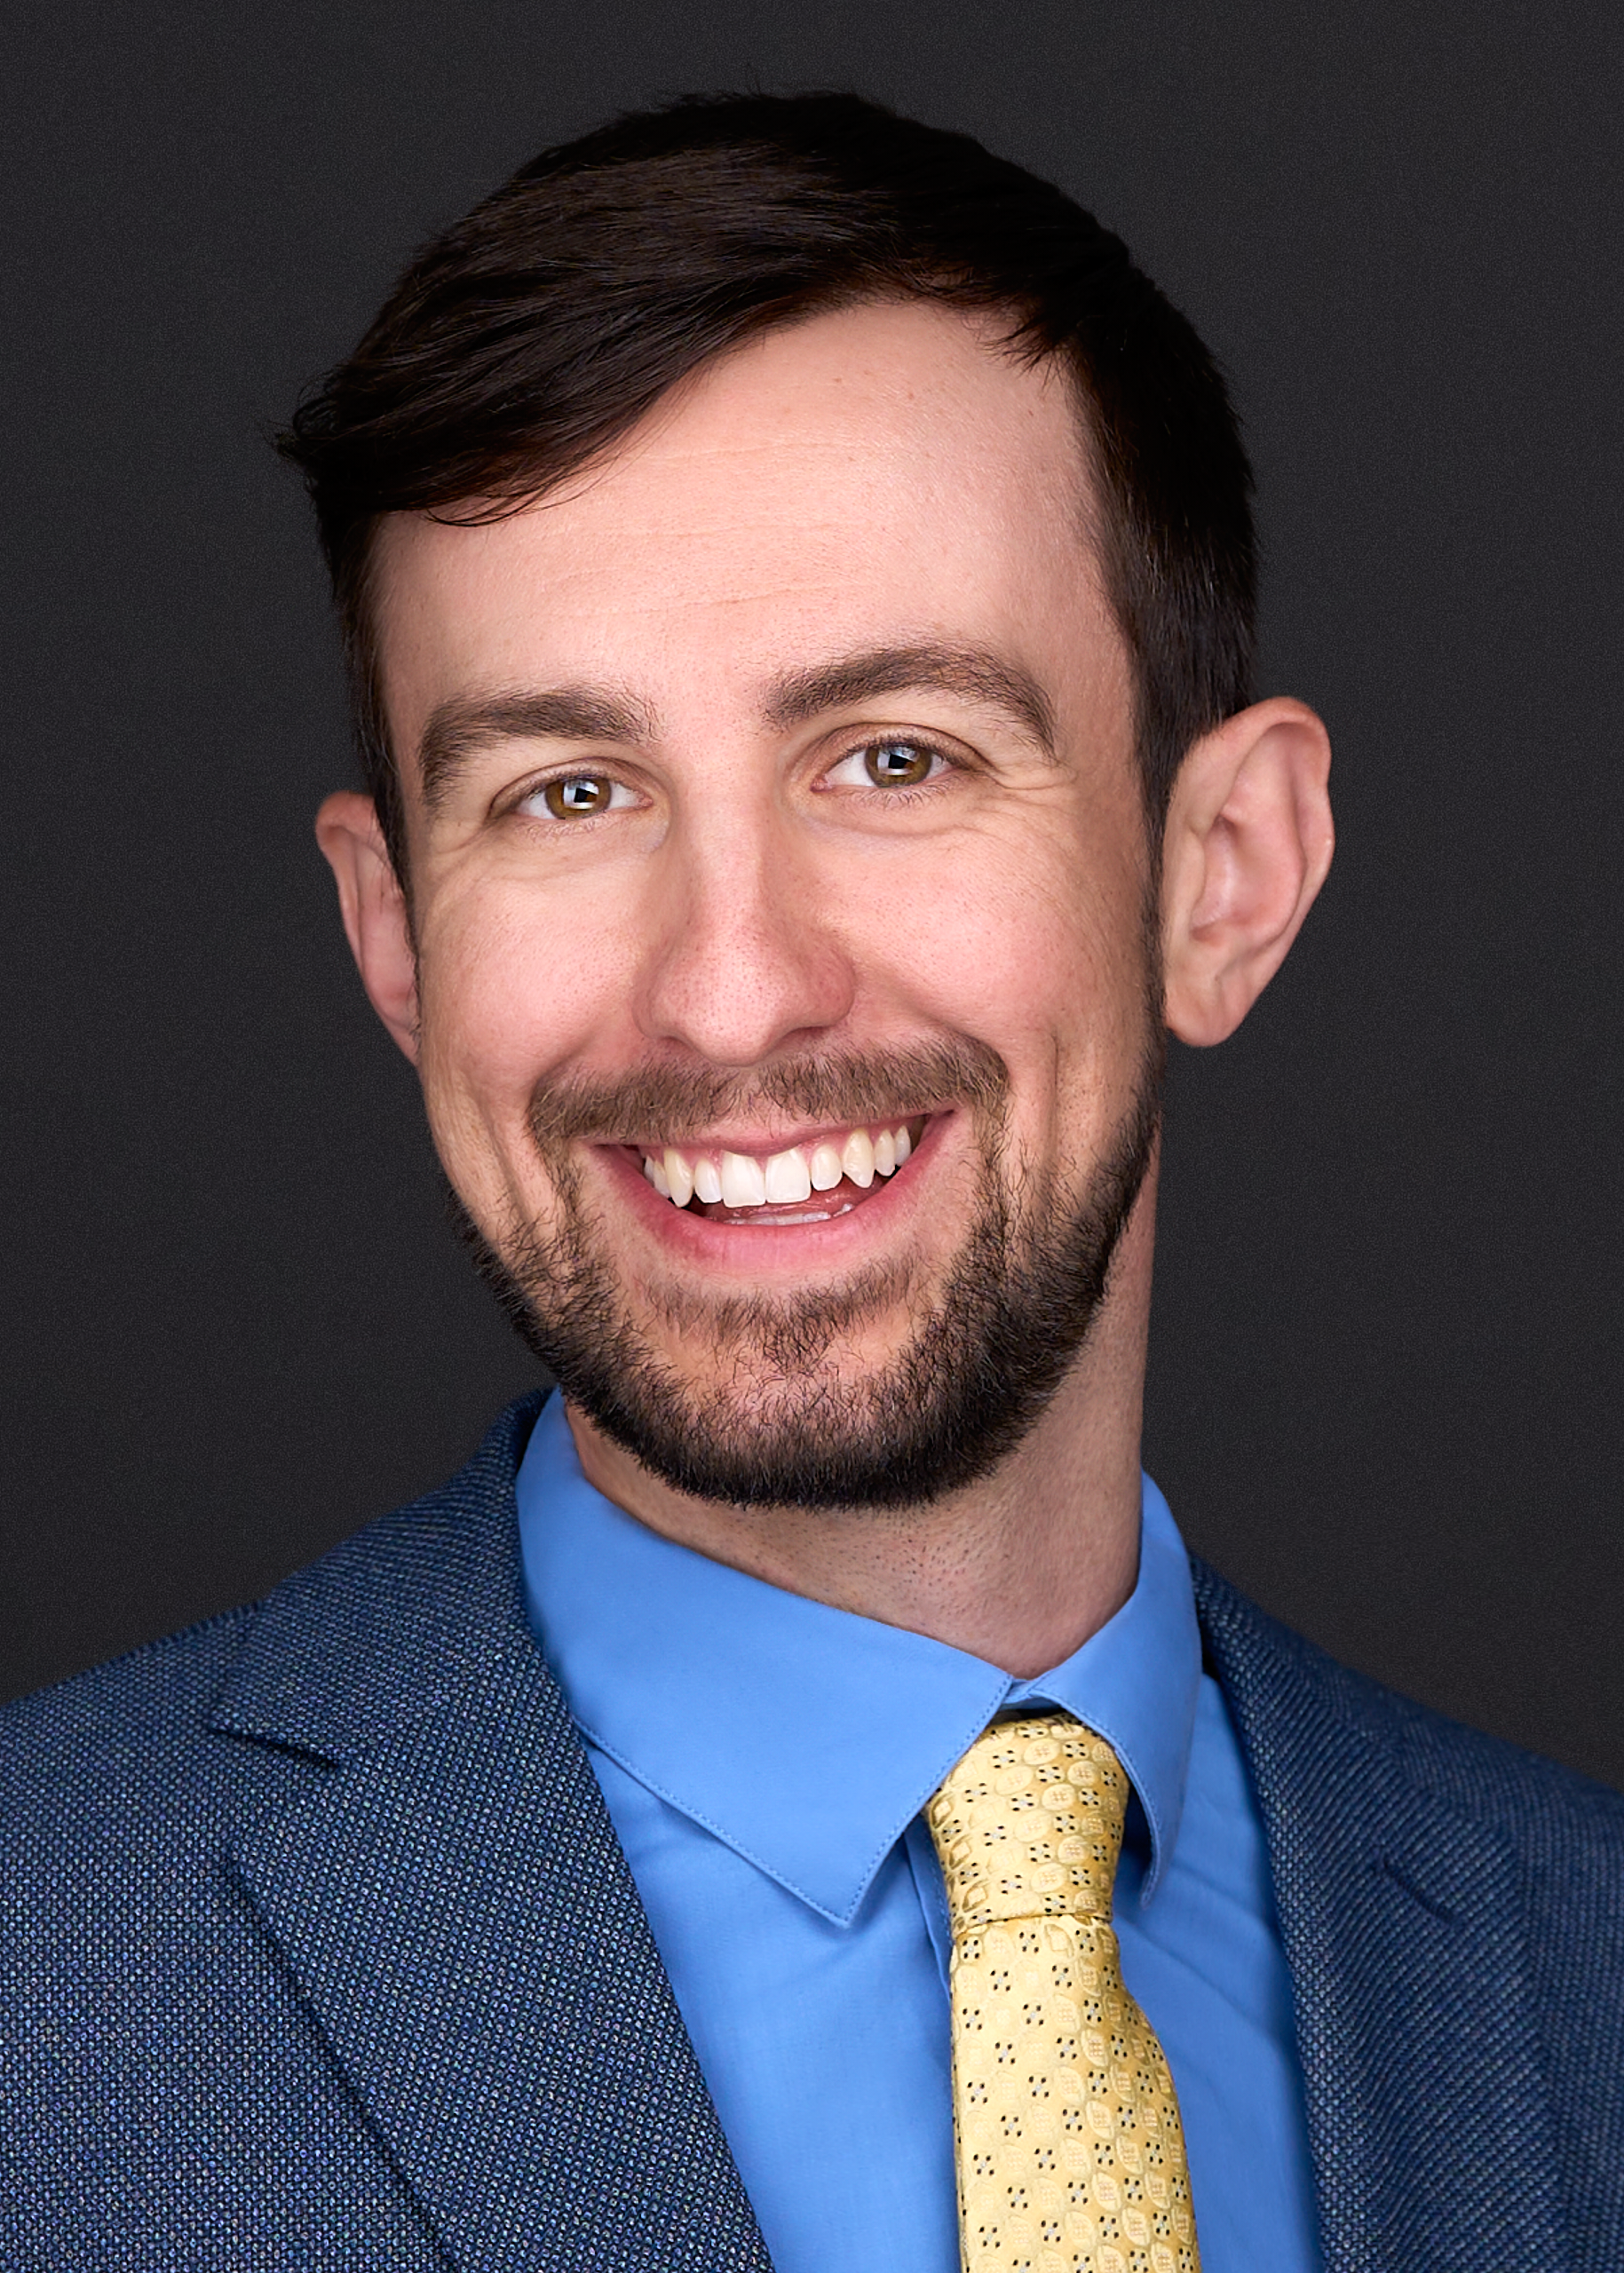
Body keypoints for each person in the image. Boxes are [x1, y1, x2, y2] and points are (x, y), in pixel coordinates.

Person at [1, 90, 1620, 2273]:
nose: (731, 990)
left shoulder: (1574, 1968)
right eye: (568, 791)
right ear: (394, 934)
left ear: (1216, 875)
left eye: (893, 757)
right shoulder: (42, 1981)